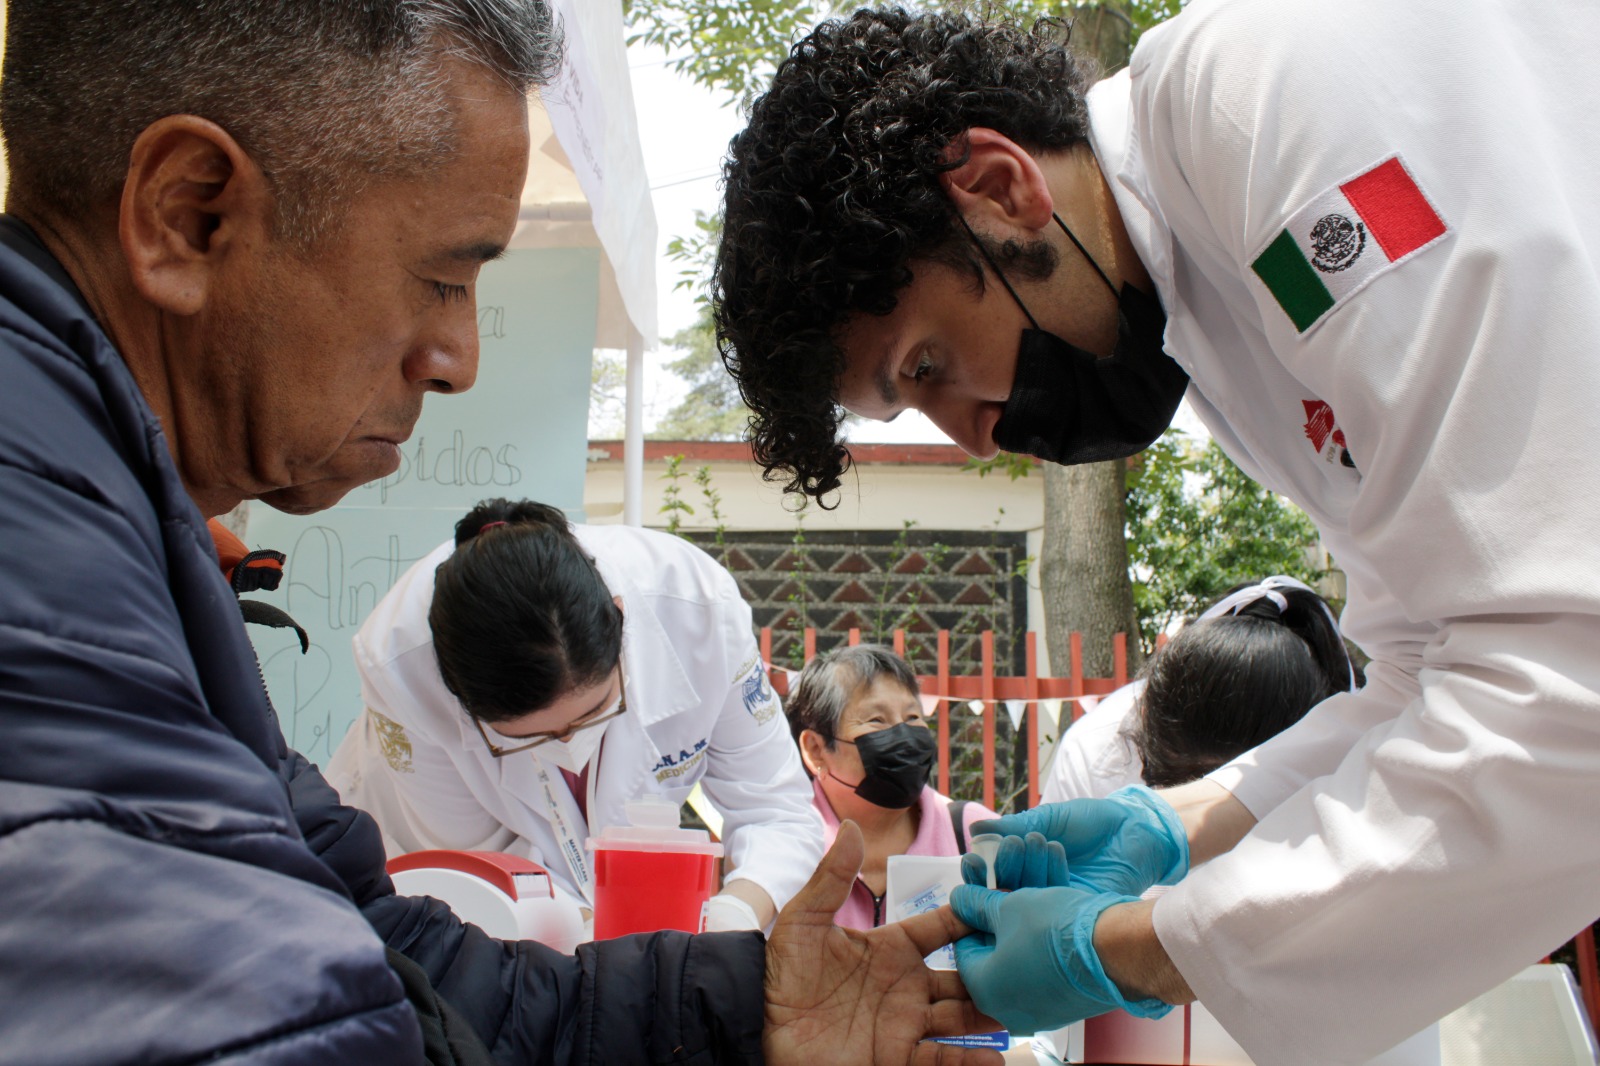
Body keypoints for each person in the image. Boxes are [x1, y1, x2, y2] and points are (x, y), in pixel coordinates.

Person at [0, 3, 1001, 1064]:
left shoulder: (101, 507)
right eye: (442, 277)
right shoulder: (41, 534)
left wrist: (730, 1007)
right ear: (190, 214)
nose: (458, 356)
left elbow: (385, 950)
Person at [711, 2, 1600, 1062]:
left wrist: (1138, 945)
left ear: (1001, 187)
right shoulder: (1205, 295)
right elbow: (1421, 664)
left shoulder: (1277, 108)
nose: (978, 439)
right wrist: (1182, 825)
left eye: (929, 365)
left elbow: (1567, 683)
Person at [330, 497, 822, 933]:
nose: (568, 743)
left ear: (621, 619)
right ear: (455, 695)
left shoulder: (697, 607)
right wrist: (596, 939)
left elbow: (774, 808)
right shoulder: (401, 664)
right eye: (528, 738)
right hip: (443, 894)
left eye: (594, 712)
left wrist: (737, 911)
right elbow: (482, 865)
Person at [1042, 577, 1354, 801]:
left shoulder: (1351, 758)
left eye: (1240, 792)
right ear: (1150, 719)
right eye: (1181, 780)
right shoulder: (1095, 754)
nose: (1203, 811)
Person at [785, 644, 998, 930]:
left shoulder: (974, 833)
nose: (904, 736)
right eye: (876, 720)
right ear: (816, 750)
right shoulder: (786, 842)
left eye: (912, 717)